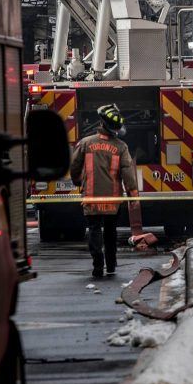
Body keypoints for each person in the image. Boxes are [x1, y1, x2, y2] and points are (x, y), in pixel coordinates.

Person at [69, 104, 139, 278]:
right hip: (112, 200)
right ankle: (111, 264)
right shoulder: (121, 147)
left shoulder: (85, 143)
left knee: (94, 229)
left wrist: (77, 181)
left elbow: (74, 166)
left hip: (91, 198)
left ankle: (98, 264)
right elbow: (128, 173)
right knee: (110, 231)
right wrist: (133, 195)